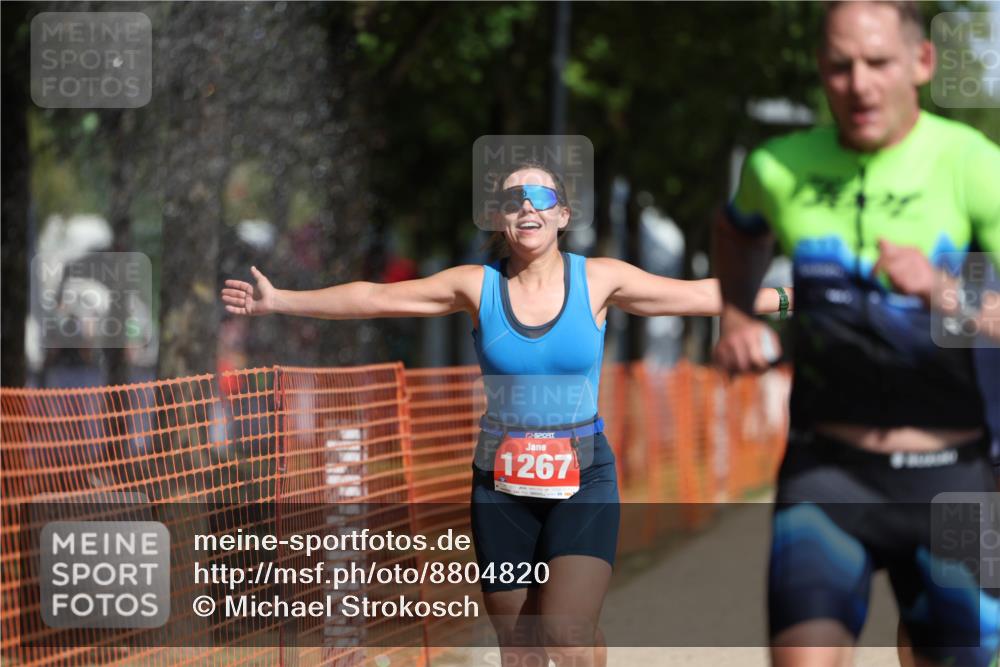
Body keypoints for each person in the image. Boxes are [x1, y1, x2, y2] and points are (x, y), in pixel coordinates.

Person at [222, 161, 790, 666]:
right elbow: (376, 297)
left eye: (540, 198)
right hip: (500, 483)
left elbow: (700, 294)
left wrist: (790, 298)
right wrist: (282, 300)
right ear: (500, 220)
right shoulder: (476, 286)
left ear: (562, 214)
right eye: (515, 199)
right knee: (520, 650)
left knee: (565, 637)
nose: (527, 207)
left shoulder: (598, 279)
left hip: (583, 476)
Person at [712, 2, 1000, 666]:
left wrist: (941, 289)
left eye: (878, 63)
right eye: (840, 66)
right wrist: (735, 315)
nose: (859, 85)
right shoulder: (779, 166)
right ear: (820, 69)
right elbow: (735, 230)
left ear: (921, 64)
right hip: (827, 475)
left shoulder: (972, 162)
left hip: (952, 480)